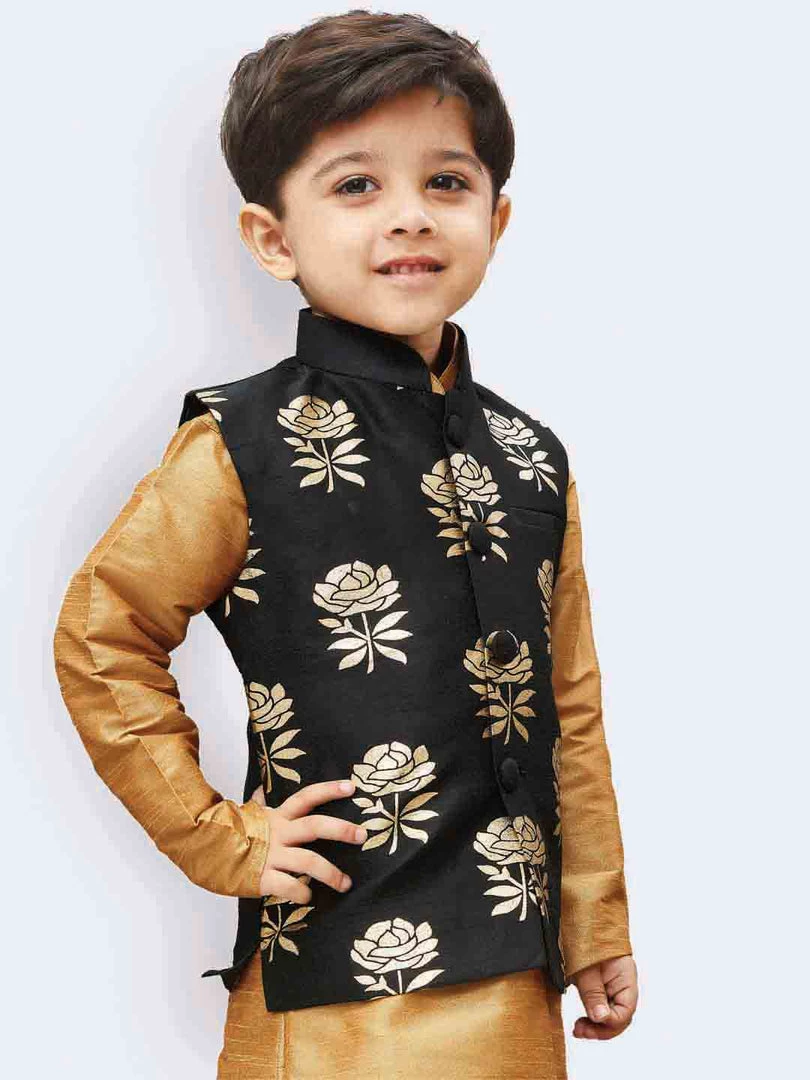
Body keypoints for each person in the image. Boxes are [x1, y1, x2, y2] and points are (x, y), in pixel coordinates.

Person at [53, 10, 638, 1078]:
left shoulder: (529, 455)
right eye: (357, 185)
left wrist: (593, 920)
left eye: (446, 182)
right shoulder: (238, 444)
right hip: (332, 990)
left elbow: (570, 703)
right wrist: (220, 837)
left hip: (514, 974)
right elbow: (103, 634)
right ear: (273, 237)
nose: (409, 215)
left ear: (497, 218)